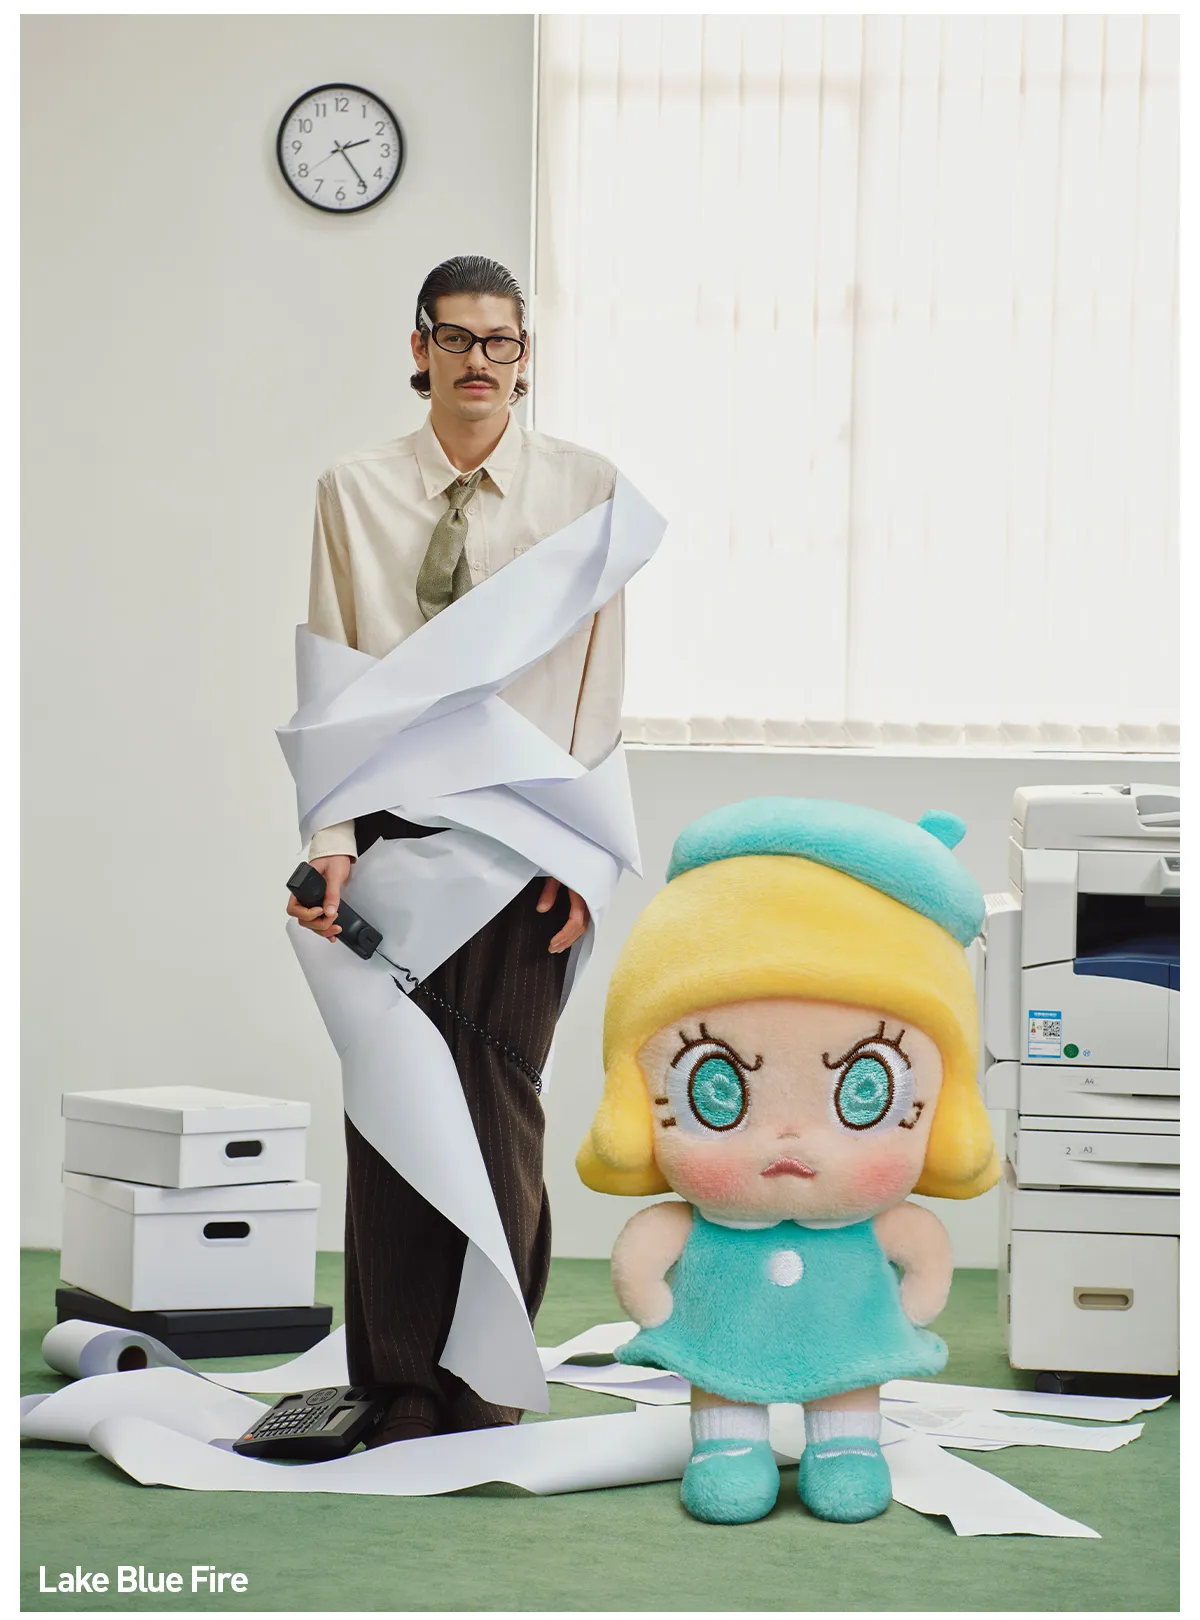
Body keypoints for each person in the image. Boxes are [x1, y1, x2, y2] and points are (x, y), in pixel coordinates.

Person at [286, 254, 624, 1445]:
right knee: (391, 1108)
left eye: (502, 340)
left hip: (526, 835)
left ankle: (483, 1378)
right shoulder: (354, 489)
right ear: (419, 347)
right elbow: (330, 668)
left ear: (526, 357)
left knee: (499, 1104)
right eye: (457, 338)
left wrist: (582, 851)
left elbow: (596, 684)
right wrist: (330, 838)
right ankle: (399, 1384)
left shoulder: (586, 490)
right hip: (393, 831)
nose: (480, 360)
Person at [576, 797, 999, 1524]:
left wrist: (916, 1295)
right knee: (726, 1409)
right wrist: (650, 1296)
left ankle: (846, 1447)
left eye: (866, 1091)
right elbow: (648, 1251)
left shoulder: (872, 1220)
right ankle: (727, 1448)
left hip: (848, 1344)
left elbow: (921, 1250)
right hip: (723, 1347)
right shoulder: (704, 1219)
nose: (791, 1139)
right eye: (716, 1089)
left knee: (845, 1397)